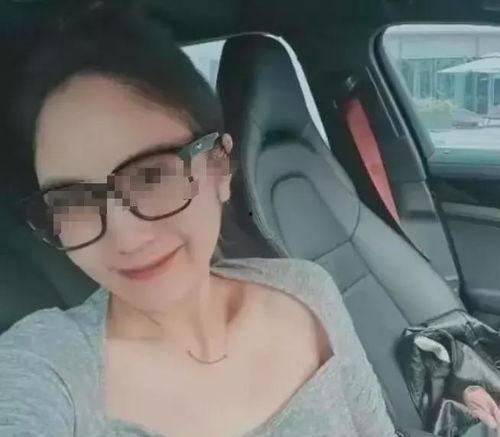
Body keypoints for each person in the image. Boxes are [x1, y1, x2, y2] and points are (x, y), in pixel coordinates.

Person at [0, 2, 398, 436]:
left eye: (152, 176)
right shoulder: (48, 365)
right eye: (73, 201)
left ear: (220, 167)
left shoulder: (308, 292)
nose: (126, 239)